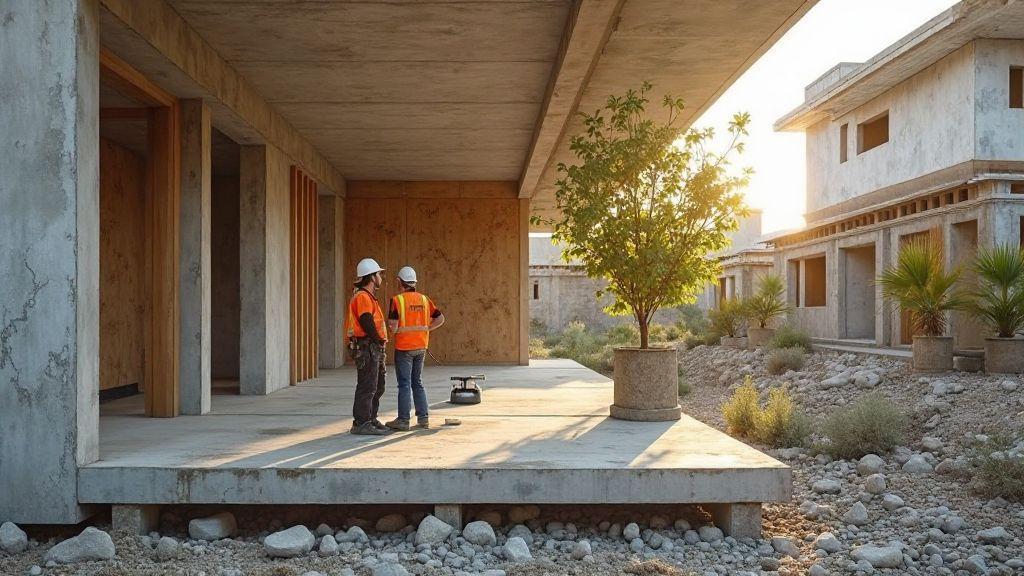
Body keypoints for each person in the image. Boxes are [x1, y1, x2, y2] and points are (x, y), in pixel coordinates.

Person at [385, 266, 445, 431]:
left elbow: (393, 327)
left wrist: (391, 329)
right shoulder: (424, 300)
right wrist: (426, 329)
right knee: (417, 382)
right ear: (414, 282)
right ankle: (423, 418)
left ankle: (403, 420)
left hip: (404, 348)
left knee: (404, 384)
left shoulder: (397, 300)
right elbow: (440, 318)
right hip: (421, 346)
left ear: (399, 282)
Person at [345, 258, 391, 436]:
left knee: (377, 385)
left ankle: (370, 418)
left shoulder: (368, 297)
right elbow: (366, 320)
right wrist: (377, 339)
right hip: (367, 346)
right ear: (371, 277)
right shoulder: (363, 297)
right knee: (368, 385)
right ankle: (361, 422)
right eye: (379, 274)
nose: (381, 277)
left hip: (372, 346)